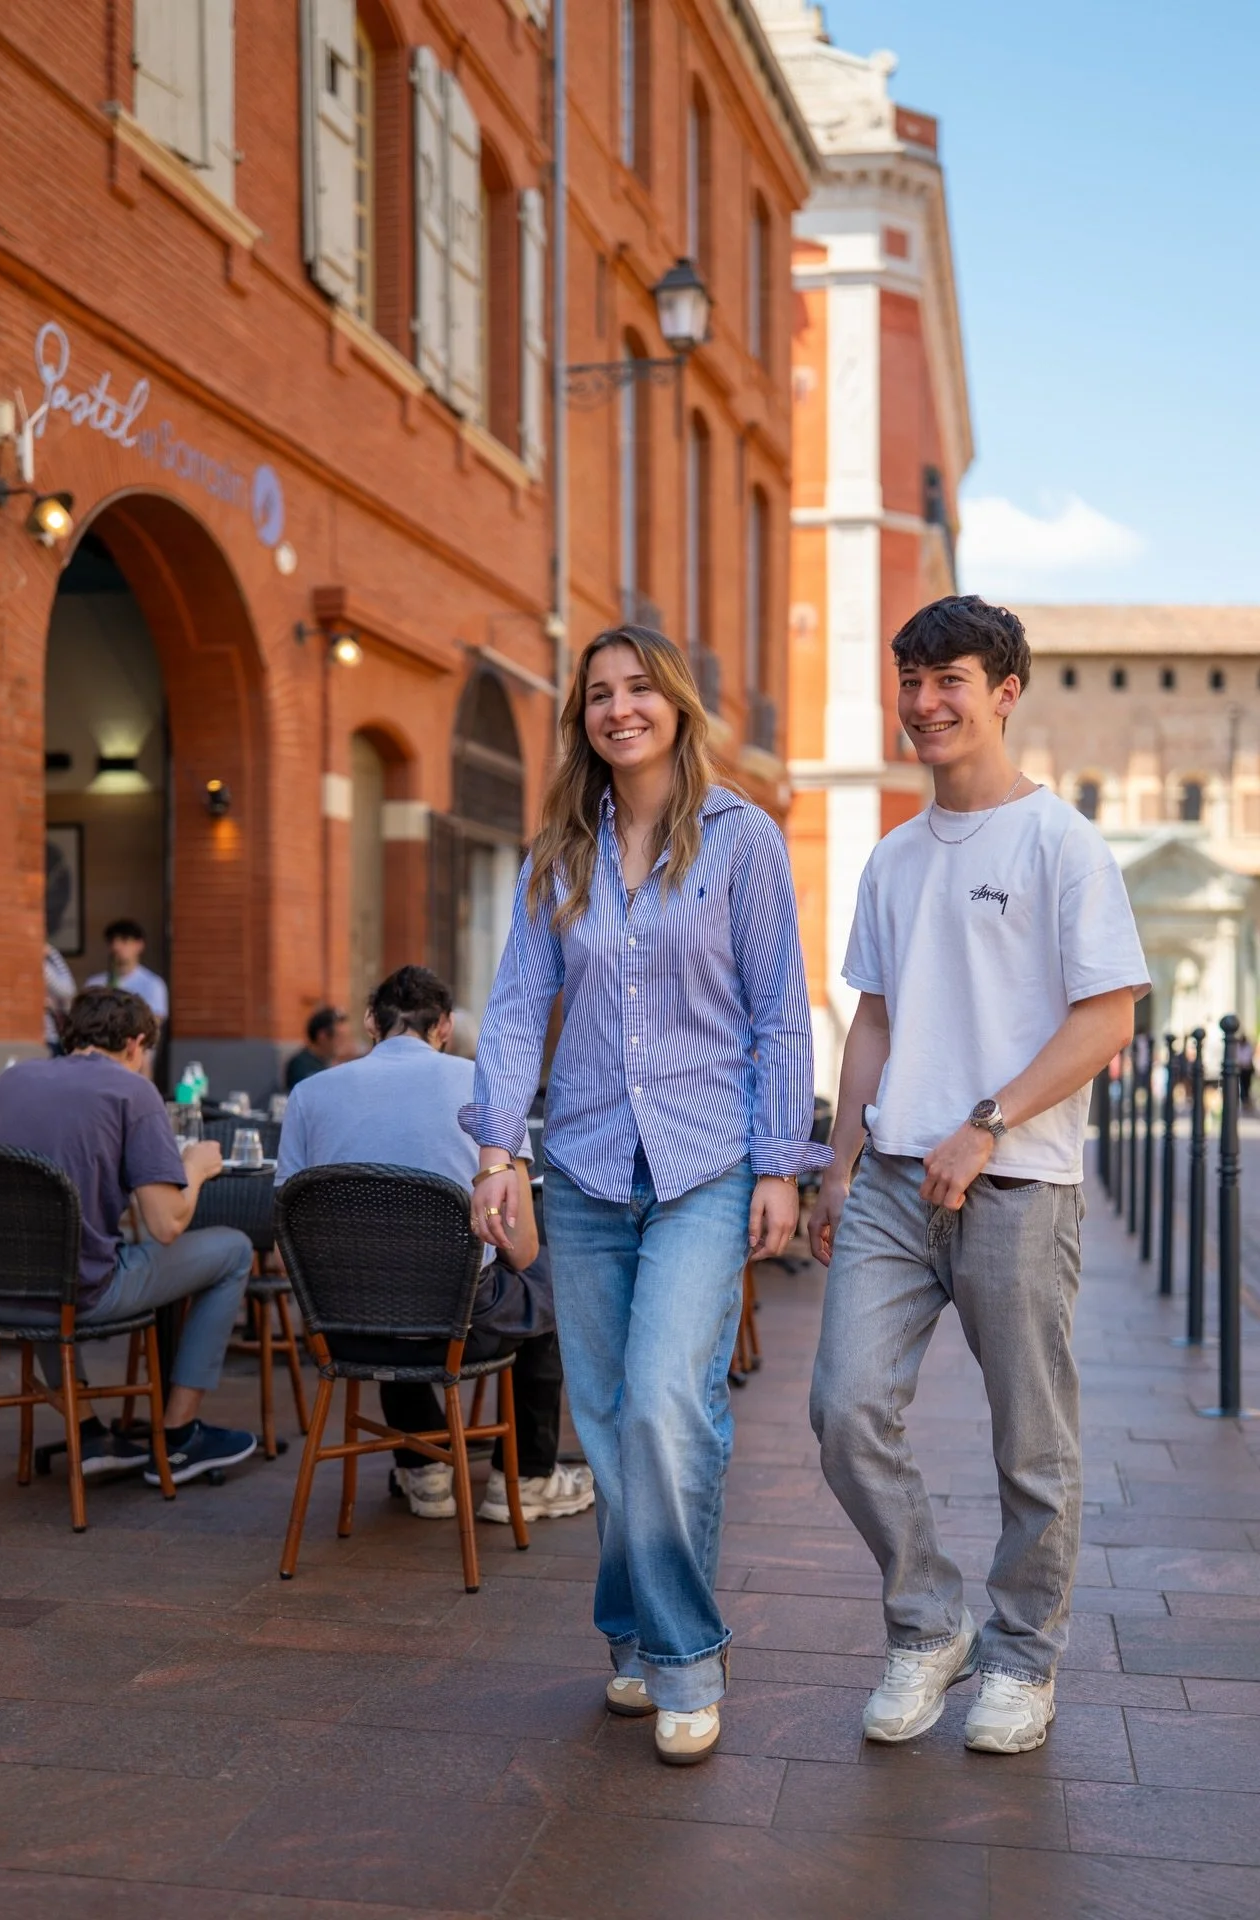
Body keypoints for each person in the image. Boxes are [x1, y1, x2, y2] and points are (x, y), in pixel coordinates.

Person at [462, 625, 827, 1767]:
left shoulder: (742, 840)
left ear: (674, 704)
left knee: (673, 1404)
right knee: (615, 1423)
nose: (618, 708)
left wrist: (781, 1160)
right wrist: (496, 1151)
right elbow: (518, 1006)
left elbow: (780, 1009)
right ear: (582, 718)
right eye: (598, 694)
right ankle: (632, 1632)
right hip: (578, 1165)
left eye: (637, 690)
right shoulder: (559, 853)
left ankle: (682, 1656)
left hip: (706, 1161)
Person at [807, 595, 1149, 1757]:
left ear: (1005, 692)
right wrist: (839, 1163)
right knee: (843, 1409)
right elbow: (874, 1020)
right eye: (910, 680)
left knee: (1031, 1444)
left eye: (948, 679)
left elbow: (1109, 1018)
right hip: (896, 1188)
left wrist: (987, 1123)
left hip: (1018, 1184)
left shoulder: (1063, 843)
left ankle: (1022, 1660)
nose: (923, 703)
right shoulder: (895, 859)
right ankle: (927, 1623)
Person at [275, 965, 593, 1525]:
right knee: (547, 1279)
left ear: (372, 1021)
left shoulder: (307, 1094)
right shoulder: (487, 1090)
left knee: (385, 1274)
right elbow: (519, 1251)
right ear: (444, 1026)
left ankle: (423, 1468)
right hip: (458, 1330)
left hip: (346, 1330)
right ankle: (525, 1477)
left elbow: (287, 1241)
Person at [0, 987, 257, 1485]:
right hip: (84, 1293)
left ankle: (88, 1433)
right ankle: (179, 1436)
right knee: (234, 1249)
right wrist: (194, 1168)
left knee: (42, 1253)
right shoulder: (132, 1090)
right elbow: (166, 1225)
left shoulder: (9, 1081)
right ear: (135, 1044)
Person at [87, 919, 169, 1026]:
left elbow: (154, 1022)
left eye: (124, 941)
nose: (117, 947)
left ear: (139, 945)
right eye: (112, 941)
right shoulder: (95, 983)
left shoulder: (152, 984)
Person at [283, 1005, 351, 1090]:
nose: (344, 1043)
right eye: (339, 1037)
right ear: (322, 1037)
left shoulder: (328, 1062)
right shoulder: (301, 1066)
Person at [43, 943, 76, 1056]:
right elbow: (67, 990)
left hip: (51, 1037)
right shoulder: (43, 966)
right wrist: (53, 953)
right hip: (47, 1038)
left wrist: (53, 953)